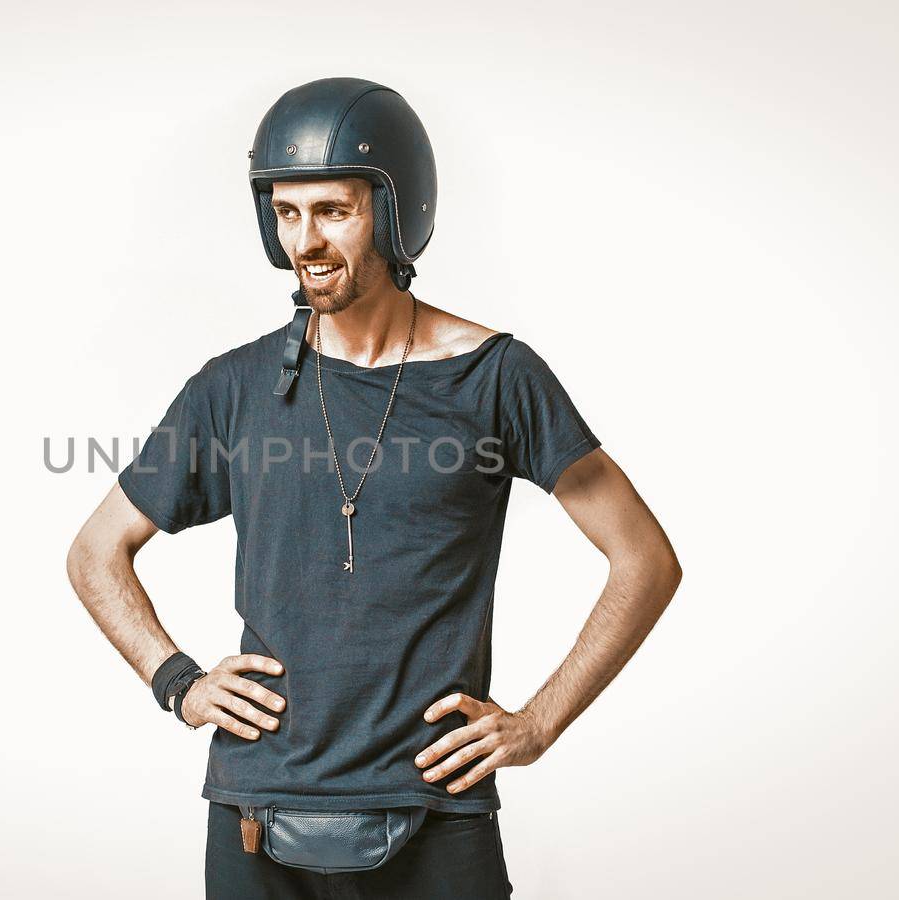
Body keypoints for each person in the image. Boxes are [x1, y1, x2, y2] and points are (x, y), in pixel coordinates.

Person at [66, 77, 682, 899]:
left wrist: (539, 722)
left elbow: (644, 558)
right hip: (258, 813)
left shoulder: (495, 378)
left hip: (435, 812)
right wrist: (177, 681)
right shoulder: (235, 388)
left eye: (333, 211)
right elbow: (96, 551)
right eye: (286, 213)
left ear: (394, 213)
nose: (305, 241)